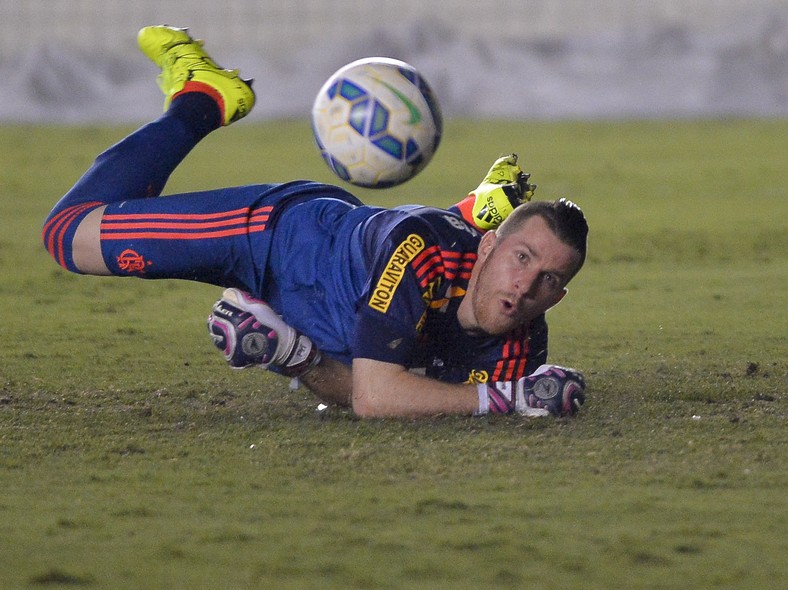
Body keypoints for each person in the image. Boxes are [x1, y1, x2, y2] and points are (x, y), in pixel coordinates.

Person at [42, 26, 589, 418]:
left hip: (351, 286)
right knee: (67, 235)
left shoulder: (519, 347)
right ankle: (204, 97)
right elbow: (379, 398)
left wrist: (291, 354)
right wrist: (508, 401)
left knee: (406, 301)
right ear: (494, 250)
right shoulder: (420, 252)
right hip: (274, 237)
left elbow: (386, 396)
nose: (527, 286)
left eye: (549, 279)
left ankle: (472, 216)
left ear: (559, 297)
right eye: (521, 258)